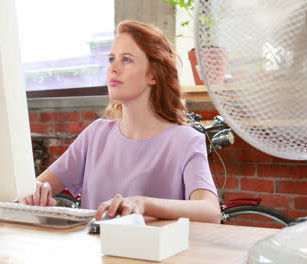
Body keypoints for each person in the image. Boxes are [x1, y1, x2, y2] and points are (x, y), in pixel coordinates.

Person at [20, 20, 221, 224]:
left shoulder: (185, 140)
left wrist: (144, 204)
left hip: (155, 255)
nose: (113, 69)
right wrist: (36, 191)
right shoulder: (96, 134)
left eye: (126, 59)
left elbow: (210, 211)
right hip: (94, 254)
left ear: (153, 74)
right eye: (111, 59)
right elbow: (35, 188)